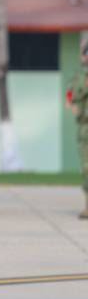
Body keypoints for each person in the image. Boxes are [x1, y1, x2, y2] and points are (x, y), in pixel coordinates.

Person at [67, 40, 88, 219]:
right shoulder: (79, 76)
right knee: (86, 168)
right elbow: (71, 95)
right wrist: (72, 104)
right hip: (84, 127)